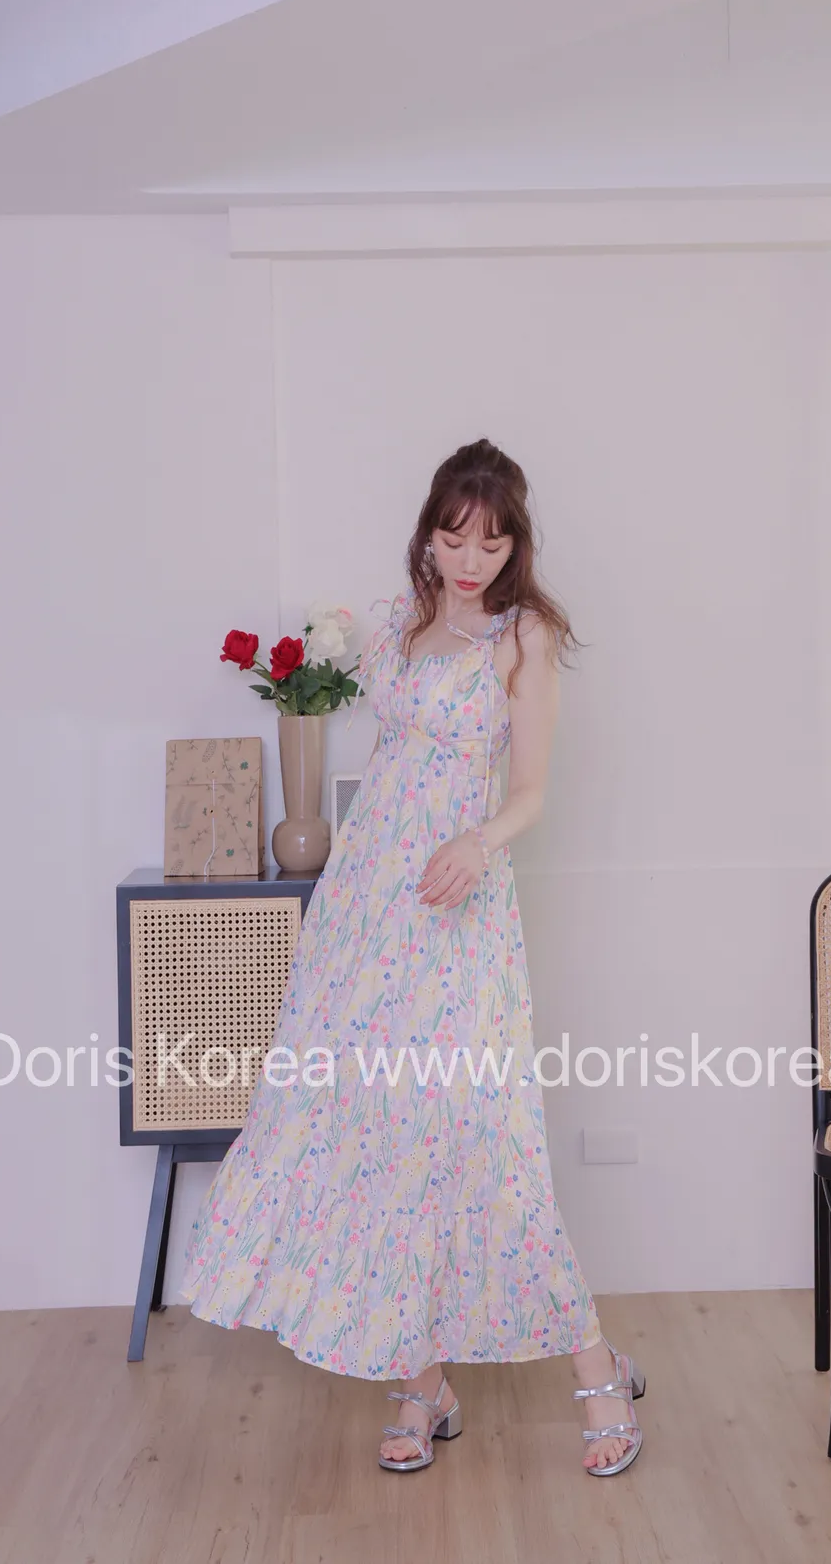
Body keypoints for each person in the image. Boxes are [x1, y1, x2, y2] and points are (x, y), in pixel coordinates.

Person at [179, 437, 645, 1476]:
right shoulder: (398, 622)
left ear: (517, 544)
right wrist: (352, 895)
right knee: (370, 1133)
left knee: (482, 1139)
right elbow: (387, 761)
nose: (471, 560)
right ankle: (422, 1382)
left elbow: (532, 790)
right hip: (365, 907)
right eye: (454, 537)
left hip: (457, 909)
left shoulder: (524, 638)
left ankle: (599, 1369)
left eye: (492, 542)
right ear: (428, 533)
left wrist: (477, 844)